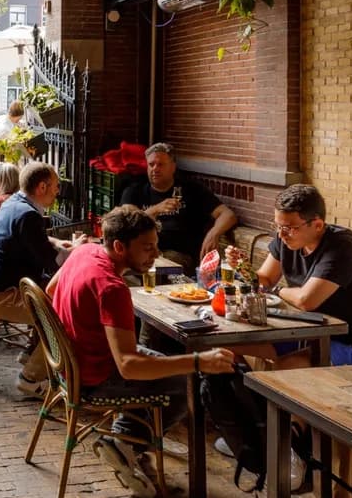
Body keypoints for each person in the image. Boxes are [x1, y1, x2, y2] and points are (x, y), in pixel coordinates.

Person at [50, 206, 236, 492]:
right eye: (148, 247)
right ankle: (126, 443)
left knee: (162, 361)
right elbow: (128, 365)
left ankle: (125, 443)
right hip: (92, 377)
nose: (155, 254)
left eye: (156, 246)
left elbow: (50, 290)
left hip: (66, 365)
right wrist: (199, 361)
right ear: (119, 246)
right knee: (183, 384)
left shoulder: (84, 252)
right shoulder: (112, 287)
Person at [254, 184, 352, 367]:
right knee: (236, 348)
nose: (281, 235)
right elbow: (265, 278)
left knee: (287, 366)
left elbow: (306, 300)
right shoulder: (287, 238)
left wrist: (277, 289)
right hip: (309, 332)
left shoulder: (342, 246)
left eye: (288, 228)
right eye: (278, 226)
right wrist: (242, 268)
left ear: (318, 225)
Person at [0, 162, 80, 395]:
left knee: (51, 294)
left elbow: (33, 241)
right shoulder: (28, 215)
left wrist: (56, 243)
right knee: (65, 319)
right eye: (55, 186)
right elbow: (52, 264)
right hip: (1, 297)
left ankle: (31, 352)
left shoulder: (15, 202)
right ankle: (30, 379)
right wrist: (77, 253)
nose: (57, 191)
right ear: (42, 187)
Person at [118, 142, 237, 274]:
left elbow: (228, 215)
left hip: (179, 255)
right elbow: (126, 224)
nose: (155, 169)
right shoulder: (134, 191)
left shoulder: (192, 189)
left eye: (161, 164)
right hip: (143, 252)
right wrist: (155, 210)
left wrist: (213, 234)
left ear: (173, 167)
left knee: (159, 267)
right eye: (151, 165)